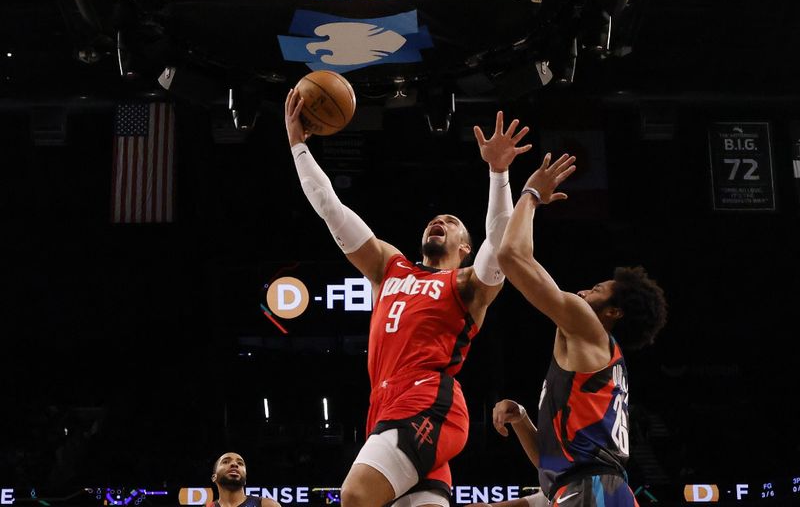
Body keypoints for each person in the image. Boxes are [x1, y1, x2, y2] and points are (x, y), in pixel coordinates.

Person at [285, 89, 531, 507]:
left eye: (451, 223)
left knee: (356, 496)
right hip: (385, 406)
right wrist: (298, 144)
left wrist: (498, 174)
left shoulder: (468, 285)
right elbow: (331, 207)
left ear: (464, 248)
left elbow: (502, 243)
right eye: (436, 219)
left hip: (427, 403)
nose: (440, 221)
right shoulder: (389, 266)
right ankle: (546, 501)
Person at [492, 152, 668, 507]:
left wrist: (531, 194)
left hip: (594, 491)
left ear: (613, 312)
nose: (586, 289)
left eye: (598, 290)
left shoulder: (588, 328)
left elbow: (511, 257)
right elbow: (551, 465)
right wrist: (524, 421)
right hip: (598, 490)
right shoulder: (597, 357)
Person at [210, 451, 281, 507]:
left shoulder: (267, 505)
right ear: (214, 477)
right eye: (226, 462)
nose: (234, 464)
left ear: (245, 478)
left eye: (240, 463)